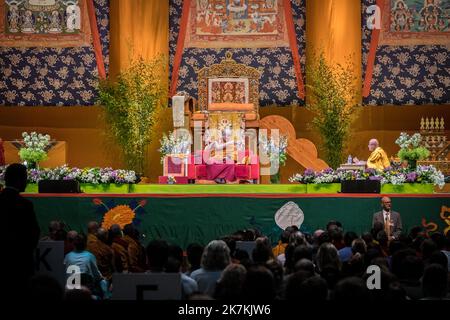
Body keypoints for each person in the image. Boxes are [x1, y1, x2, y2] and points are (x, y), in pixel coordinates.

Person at [0, 163, 40, 294]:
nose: (27, 182)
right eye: (25, 178)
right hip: (20, 264)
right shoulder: (25, 205)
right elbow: (34, 234)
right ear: (19, 180)